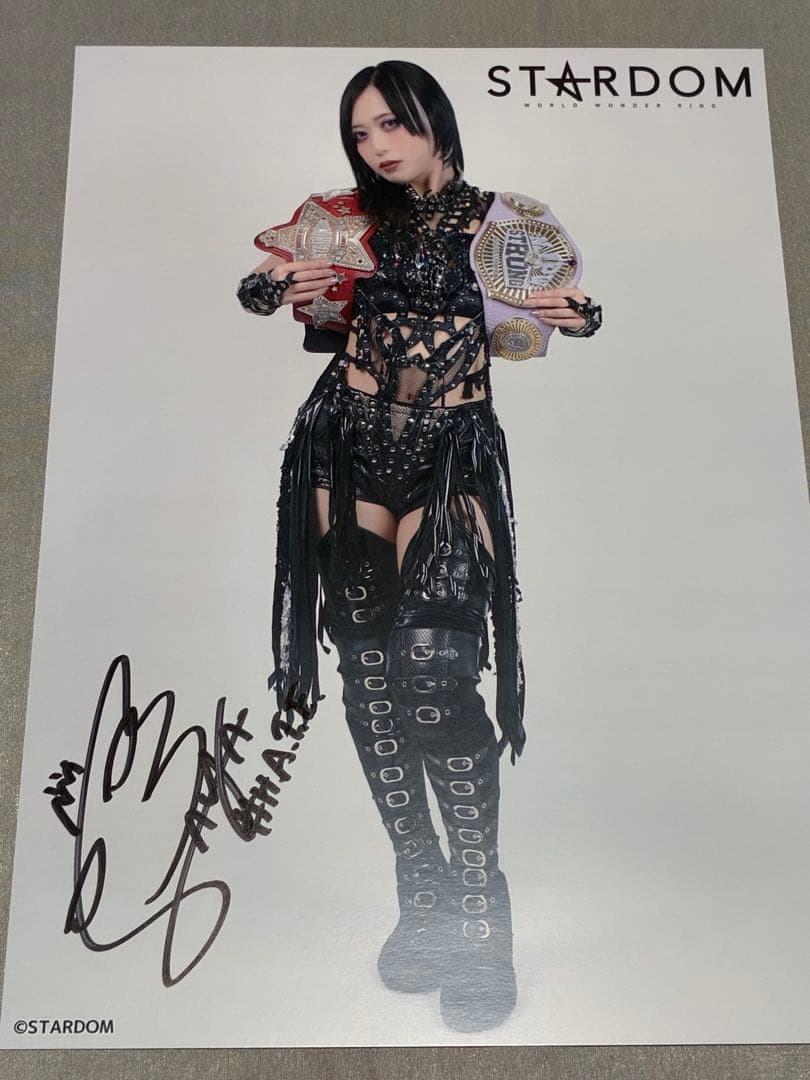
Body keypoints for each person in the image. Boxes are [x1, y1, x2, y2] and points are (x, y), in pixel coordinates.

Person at [236, 59, 601, 1033]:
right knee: (367, 679)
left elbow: (557, 311)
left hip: (450, 456)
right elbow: (272, 289)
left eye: (393, 124)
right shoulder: (344, 218)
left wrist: (581, 315)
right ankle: (422, 891)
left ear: (434, 119)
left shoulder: (502, 223)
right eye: (361, 133)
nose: (378, 145)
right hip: (348, 449)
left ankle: (481, 913)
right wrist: (268, 287)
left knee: (434, 669)